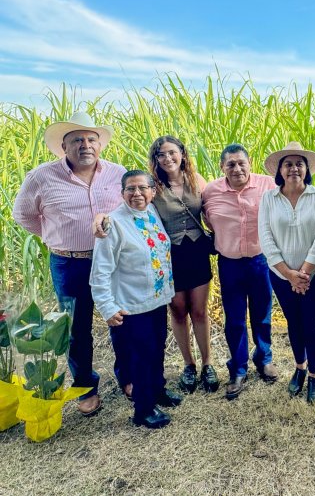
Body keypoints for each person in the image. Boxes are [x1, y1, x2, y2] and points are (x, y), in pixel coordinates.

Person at [12, 112, 125, 416]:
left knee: (122, 319)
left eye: (91, 139)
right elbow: (23, 215)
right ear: (64, 147)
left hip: (113, 261)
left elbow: (131, 210)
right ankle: (86, 387)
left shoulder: (117, 173)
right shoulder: (42, 177)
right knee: (76, 328)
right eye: (77, 140)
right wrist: (54, 236)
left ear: (99, 145)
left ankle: (127, 377)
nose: (85, 145)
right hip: (69, 262)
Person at [90, 170, 183, 428]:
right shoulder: (114, 224)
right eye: (130, 189)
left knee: (157, 350)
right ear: (122, 194)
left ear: (153, 192)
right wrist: (107, 307)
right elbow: (100, 271)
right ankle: (143, 409)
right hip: (130, 305)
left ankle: (157, 391)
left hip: (155, 300)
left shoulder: (151, 213)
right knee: (142, 356)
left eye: (143, 188)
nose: (137, 194)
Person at [202, 143, 278, 400]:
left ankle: (264, 358)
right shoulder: (211, 191)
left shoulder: (267, 185)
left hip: (260, 260)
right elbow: (208, 219)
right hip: (230, 263)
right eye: (230, 164)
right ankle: (238, 367)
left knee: (262, 314)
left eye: (241, 163)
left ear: (250, 163)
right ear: (222, 167)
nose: (236, 168)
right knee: (234, 319)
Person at [258, 142, 315, 403]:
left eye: (299, 163)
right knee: (293, 322)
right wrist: (289, 274)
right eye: (287, 164)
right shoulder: (269, 198)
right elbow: (265, 237)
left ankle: (314, 375)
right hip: (280, 276)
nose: (293, 169)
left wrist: (305, 271)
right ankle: (299, 368)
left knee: (312, 324)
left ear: (306, 169)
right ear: (280, 170)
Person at [148, 136, 218, 394]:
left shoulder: (197, 181)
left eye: (171, 153)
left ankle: (207, 363)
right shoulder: (153, 186)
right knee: (177, 310)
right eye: (161, 155)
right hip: (169, 254)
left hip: (197, 250)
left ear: (182, 154)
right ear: (155, 160)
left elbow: (212, 210)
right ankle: (188, 364)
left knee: (199, 310)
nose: (167, 159)